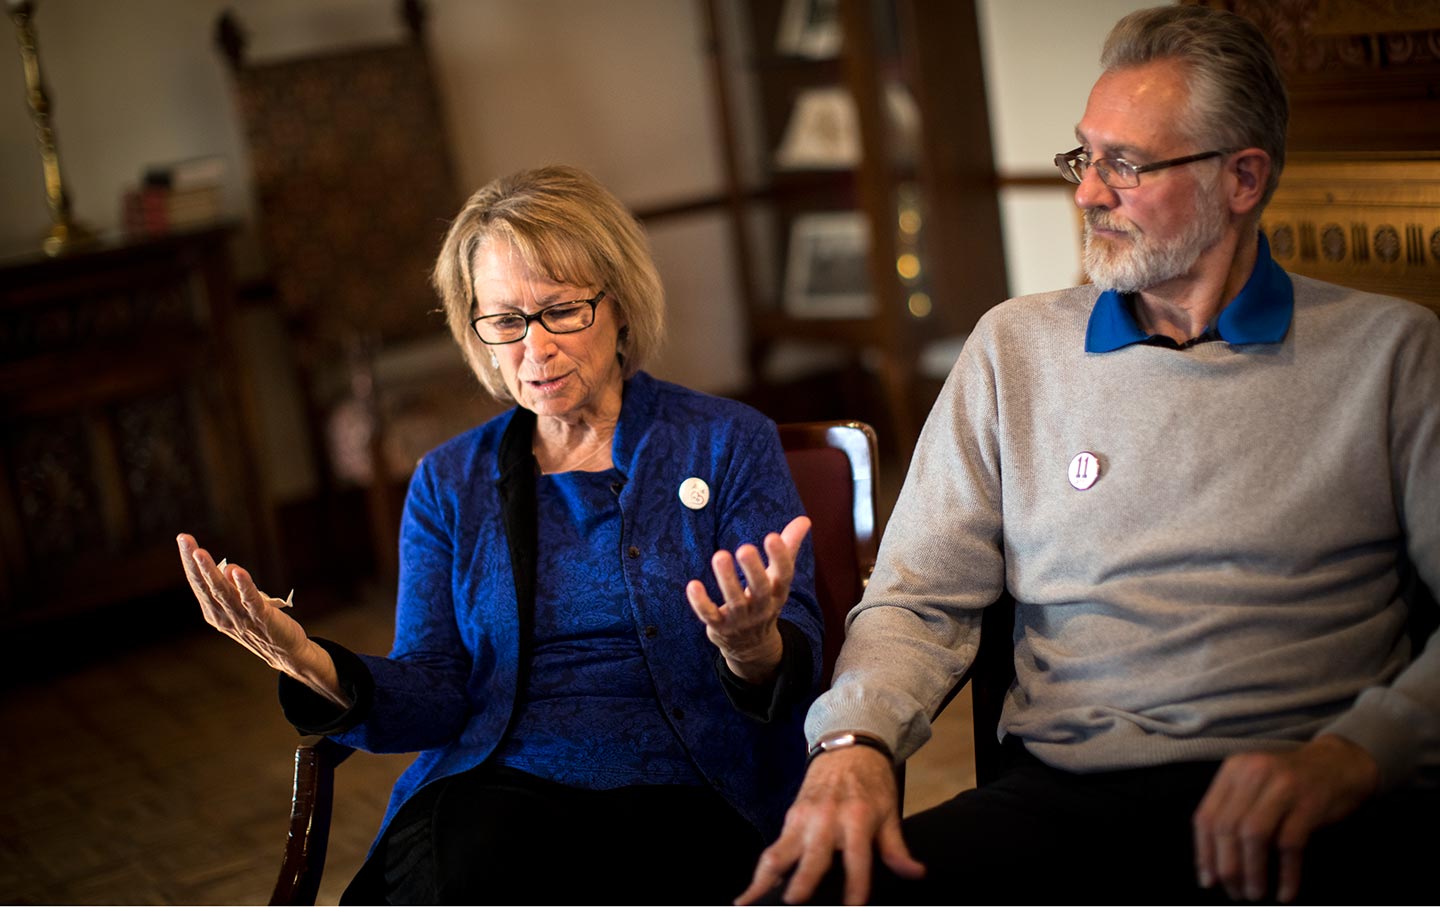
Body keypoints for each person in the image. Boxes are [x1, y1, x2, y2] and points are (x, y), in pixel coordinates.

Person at [740, 6, 1440, 905]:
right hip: (1065, 798)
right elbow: (917, 596)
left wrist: (1357, 754)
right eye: (1086, 156)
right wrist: (853, 742)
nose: (1087, 192)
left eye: (1128, 164)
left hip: (1312, 801)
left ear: (1243, 178)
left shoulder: (1392, 354)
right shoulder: (1014, 349)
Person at [177, 164, 824, 904]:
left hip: (692, 786)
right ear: (477, 331)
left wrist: (751, 647)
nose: (535, 350)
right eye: (507, 322)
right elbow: (434, 690)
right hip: (503, 789)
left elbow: (801, 652)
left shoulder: (727, 440)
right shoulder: (447, 482)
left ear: (618, 306)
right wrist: (308, 659)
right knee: (460, 868)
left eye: (561, 312)